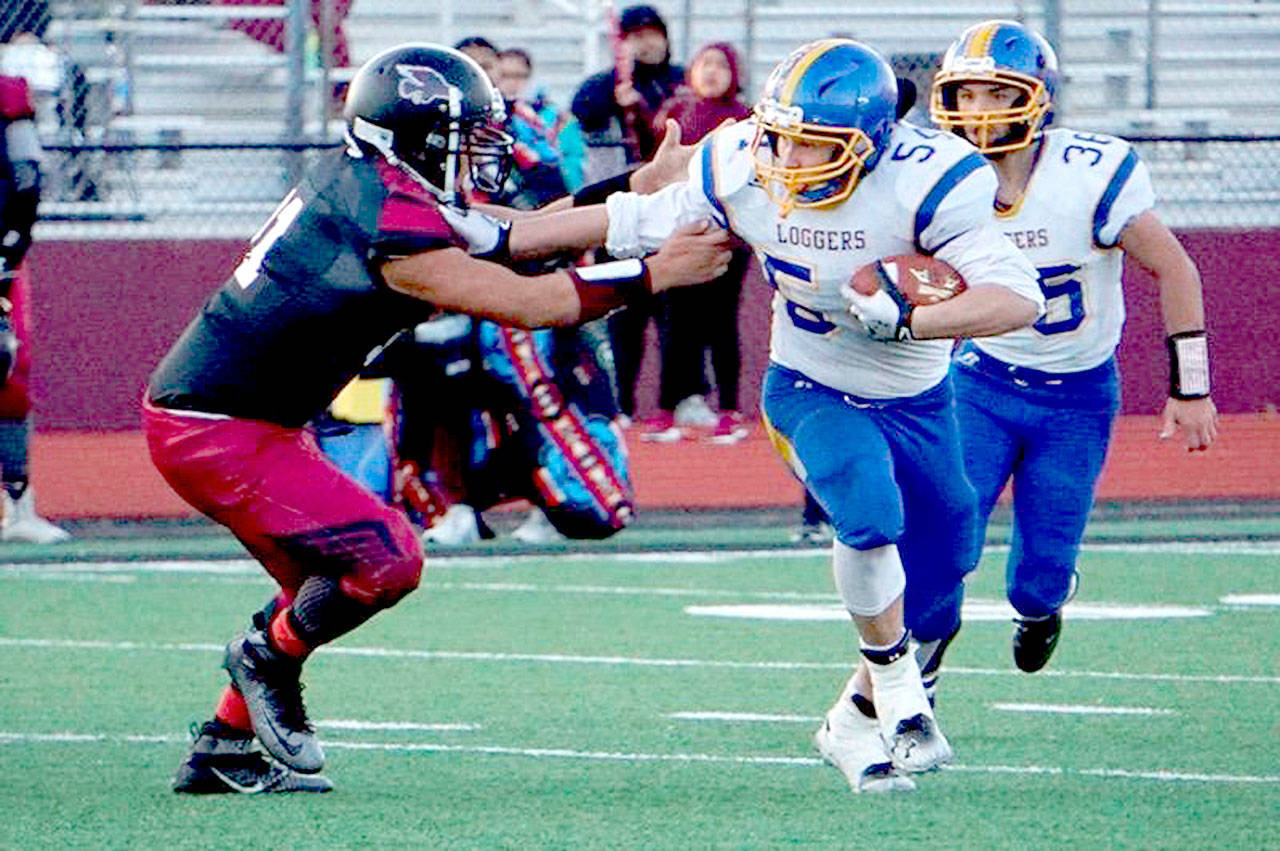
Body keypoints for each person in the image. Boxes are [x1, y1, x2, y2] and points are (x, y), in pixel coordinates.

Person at [146, 42, 730, 795]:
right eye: (468, 138)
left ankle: (223, 746)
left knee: (327, 577)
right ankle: (260, 659)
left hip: (241, 419)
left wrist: (637, 194)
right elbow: (530, 300)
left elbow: (520, 234)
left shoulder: (375, 183)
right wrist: (656, 272)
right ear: (416, 137)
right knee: (386, 555)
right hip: (217, 429)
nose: (482, 154)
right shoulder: (391, 221)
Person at [531, 38, 1045, 792]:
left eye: (816, 145)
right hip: (810, 381)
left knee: (945, 569)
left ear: (872, 144)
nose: (791, 159)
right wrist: (503, 236)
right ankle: (900, 688)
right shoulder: (740, 159)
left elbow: (1017, 298)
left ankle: (848, 720)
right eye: (783, 137)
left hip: (918, 393)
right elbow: (629, 217)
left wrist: (911, 320)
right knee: (867, 510)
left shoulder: (930, 180)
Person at [928, 20, 1218, 674]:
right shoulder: (937, 179)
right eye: (966, 95)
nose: (976, 113)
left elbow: (1176, 268)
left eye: (995, 96)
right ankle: (915, 669)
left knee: (1040, 573)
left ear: (1036, 97)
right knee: (948, 534)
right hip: (981, 383)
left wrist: (1191, 387)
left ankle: (1042, 606)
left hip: (1077, 398)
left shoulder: (1089, 171)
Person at [571, 4, 684, 422]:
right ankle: (621, 404)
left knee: (676, 316)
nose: (648, 41)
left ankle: (675, 403)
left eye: (654, 32)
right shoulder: (605, 84)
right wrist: (615, 94)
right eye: (637, 34)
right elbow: (584, 110)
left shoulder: (681, 82)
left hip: (672, 211)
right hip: (619, 211)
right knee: (622, 314)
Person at [642, 41, 753, 443]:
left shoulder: (744, 120)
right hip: (679, 236)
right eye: (704, 64)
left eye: (720, 65)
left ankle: (729, 409)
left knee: (721, 324)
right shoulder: (676, 115)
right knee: (676, 327)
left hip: (726, 239)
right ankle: (667, 408)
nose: (711, 72)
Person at [0, 71, 67, 544]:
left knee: (9, 366)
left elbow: (26, 179)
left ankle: (18, 504)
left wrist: (10, 246)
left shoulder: (7, 94)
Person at [496, 47, 586, 201]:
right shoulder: (491, 116)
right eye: (505, 75)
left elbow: (573, 157)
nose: (512, 82)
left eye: (519, 75)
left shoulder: (554, 115)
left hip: (551, 190)